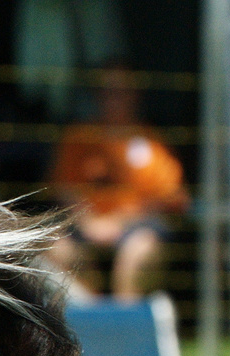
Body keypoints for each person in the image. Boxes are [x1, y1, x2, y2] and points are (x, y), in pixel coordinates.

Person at [48, 63, 189, 301]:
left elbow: (170, 196)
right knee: (56, 249)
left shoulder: (153, 141)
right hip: (83, 226)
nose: (113, 98)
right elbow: (63, 189)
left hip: (136, 228)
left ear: (136, 96)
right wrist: (90, 222)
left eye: (122, 91)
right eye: (106, 91)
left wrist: (119, 222)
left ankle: (124, 328)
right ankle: (87, 324)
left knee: (138, 251)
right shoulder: (78, 136)